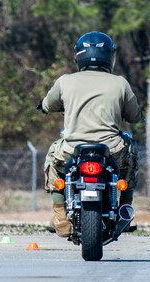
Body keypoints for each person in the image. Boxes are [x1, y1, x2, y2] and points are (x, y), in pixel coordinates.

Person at [39, 32, 141, 237]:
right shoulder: (120, 83)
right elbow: (135, 115)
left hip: (72, 149)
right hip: (111, 149)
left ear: (78, 55)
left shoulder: (65, 81)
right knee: (131, 157)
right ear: (110, 56)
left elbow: (47, 105)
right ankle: (125, 210)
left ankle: (60, 216)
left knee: (52, 159)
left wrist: (42, 106)